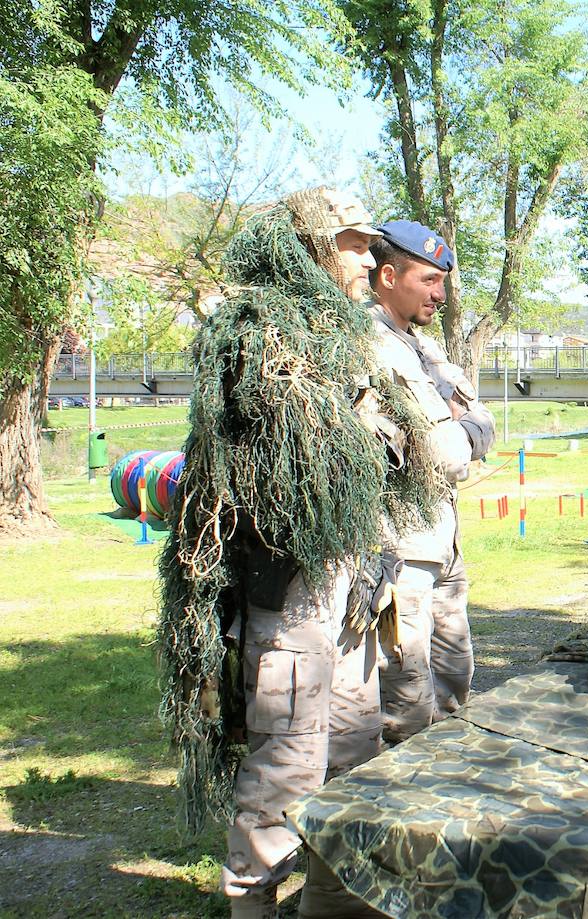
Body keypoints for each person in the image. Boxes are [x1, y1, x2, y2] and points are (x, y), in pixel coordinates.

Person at [159, 188, 443, 919]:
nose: (368, 260)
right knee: (283, 775)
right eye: (355, 245)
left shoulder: (339, 335)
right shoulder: (261, 331)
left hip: (349, 599)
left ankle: (336, 906)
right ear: (312, 244)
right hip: (289, 600)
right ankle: (252, 904)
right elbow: (311, 453)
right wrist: (374, 433)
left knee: (355, 763)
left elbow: (404, 443)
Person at [367, 220, 495, 745]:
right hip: (402, 547)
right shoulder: (372, 344)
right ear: (389, 276)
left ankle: (444, 780)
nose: (440, 294)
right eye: (429, 280)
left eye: (442, 282)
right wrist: (462, 433)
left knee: (456, 679)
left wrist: (460, 430)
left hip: (443, 540)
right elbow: (444, 454)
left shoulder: (422, 345)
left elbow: (484, 422)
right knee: (407, 699)